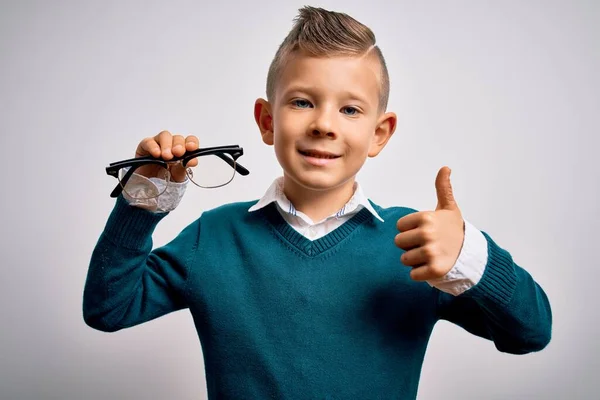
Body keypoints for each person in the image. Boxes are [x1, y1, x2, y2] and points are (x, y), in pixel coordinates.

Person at [83, 6, 552, 399]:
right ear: (267, 121)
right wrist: (145, 193)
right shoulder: (215, 236)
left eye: (350, 109)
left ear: (379, 133)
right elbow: (109, 308)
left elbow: (529, 333)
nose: (324, 124)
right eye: (303, 102)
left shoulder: (417, 243)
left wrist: (470, 254)